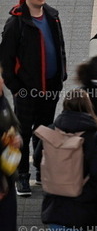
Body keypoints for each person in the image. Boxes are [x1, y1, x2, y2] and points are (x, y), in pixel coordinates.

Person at [0, 0, 67, 196]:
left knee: (44, 132)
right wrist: (16, 88)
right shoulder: (16, 23)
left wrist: (62, 75)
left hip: (51, 87)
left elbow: (60, 46)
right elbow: (6, 59)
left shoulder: (52, 16)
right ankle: (22, 176)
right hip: (26, 90)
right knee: (24, 134)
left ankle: (41, 170)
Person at [33, 88, 97, 229]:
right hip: (84, 207)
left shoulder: (51, 130)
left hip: (54, 206)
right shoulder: (94, 137)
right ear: (88, 107)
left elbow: (37, 159)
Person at [0, 70, 22, 230]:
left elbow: (14, 124)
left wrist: (16, 137)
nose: (2, 81)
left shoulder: (3, 101)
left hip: (8, 173)